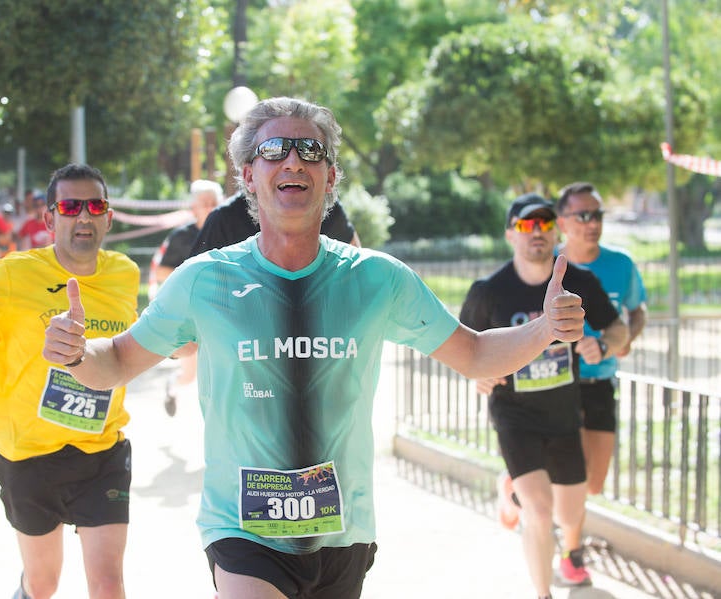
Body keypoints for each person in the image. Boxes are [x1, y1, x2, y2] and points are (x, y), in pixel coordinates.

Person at [43, 97, 585, 599]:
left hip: (343, 533)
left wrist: (544, 330)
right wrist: (75, 353)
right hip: (242, 526)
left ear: (330, 178)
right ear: (249, 178)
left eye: (311, 151)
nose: (293, 161)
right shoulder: (203, 281)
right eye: (273, 151)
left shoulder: (377, 279)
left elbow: (475, 355)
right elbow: (115, 361)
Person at [0, 164, 139, 599]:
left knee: (109, 584)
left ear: (109, 217)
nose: (84, 217)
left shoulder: (125, 274)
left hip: (101, 450)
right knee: (42, 583)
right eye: (70, 207)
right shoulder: (15, 273)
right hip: (29, 454)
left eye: (95, 206)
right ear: (50, 218)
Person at [459, 193, 628, 598]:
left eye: (545, 224)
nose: (537, 232)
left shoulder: (579, 283)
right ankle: (543, 592)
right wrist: (476, 377)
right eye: (526, 225)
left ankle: (511, 492)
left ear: (557, 231)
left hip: (564, 417)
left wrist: (602, 346)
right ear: (510, 234)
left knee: (569, 513)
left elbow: (618, 329)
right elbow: (463, 351)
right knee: (539, 512)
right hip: (514, 416)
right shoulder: (489, 292)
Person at [556, 181, 648, 498]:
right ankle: (562, 537)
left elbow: (638, 312)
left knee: (594, 483)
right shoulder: (546, 266)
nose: (592, 223)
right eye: (582, 215)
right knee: (567, 475)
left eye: (597, 215)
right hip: (558, 382)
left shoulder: (620, 264)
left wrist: (621, 342)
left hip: (601, 380)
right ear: (561, 221)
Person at [148, 179, 223, 416]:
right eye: (205, 203)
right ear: (194, 207)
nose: (210, 206)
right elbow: (160, 271)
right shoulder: (181, 236)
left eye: (214, 202)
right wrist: (193, 279)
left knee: (221, 370)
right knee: (189, 375)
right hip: (190, 315)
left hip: (221, 312)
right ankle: (172, 385)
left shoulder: (227, 232)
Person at [190, 190, 360, 257]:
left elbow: (358, 271)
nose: (292, 163)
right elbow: (192, 296)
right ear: (248, 172)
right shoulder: (223, 219)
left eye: (306, 150)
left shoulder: (327, 206)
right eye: (272, 152)